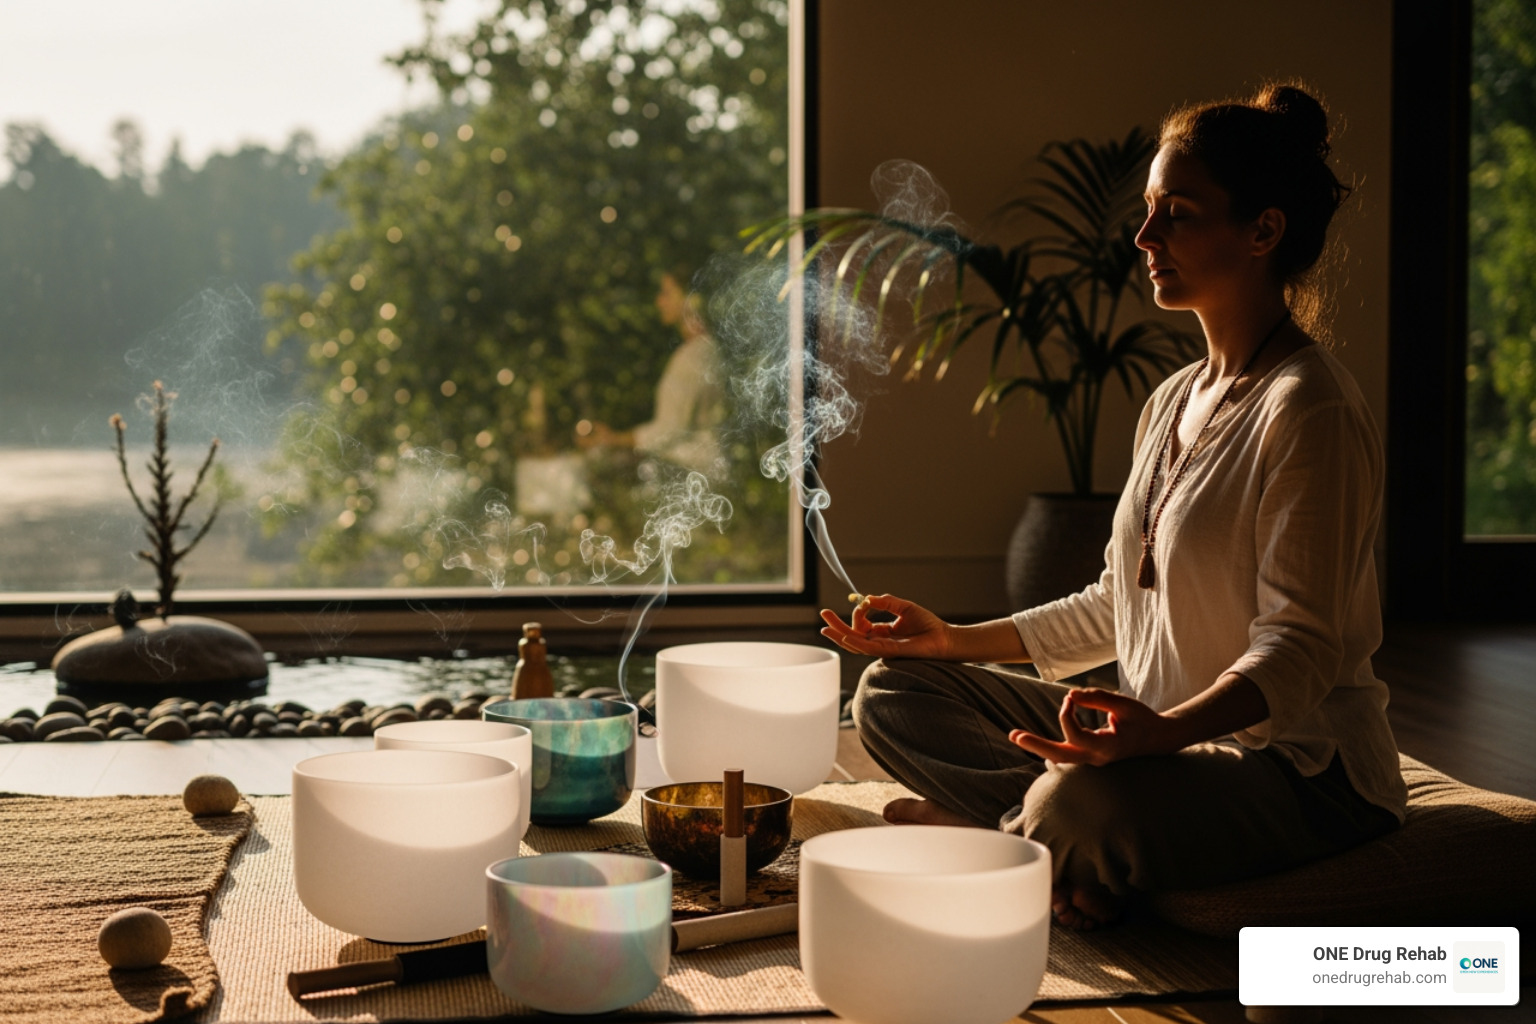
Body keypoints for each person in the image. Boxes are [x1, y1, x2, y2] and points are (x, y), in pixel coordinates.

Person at [820, 82, 1406, 930]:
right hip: (1153, 744)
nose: (1143, 238)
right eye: (1146, 212)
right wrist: (951, 640)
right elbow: (1113, 601)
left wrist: (1162, 736)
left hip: (1296, 771)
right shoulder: (1172, 398)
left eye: (1178, 213)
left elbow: (1300, 650)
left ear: (1263, 231)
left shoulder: (1308, 406)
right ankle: (1048, 854)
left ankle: (1024, 843)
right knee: (892, 692)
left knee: (1073, 801)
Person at [578, 269, 726, 475]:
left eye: (666, 293)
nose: (659, 301)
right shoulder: (712, 350)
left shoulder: (691, 358)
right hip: (713, 468)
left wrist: (613, 439)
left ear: (692, 300)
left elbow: (669, 430)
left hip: (693, 473)